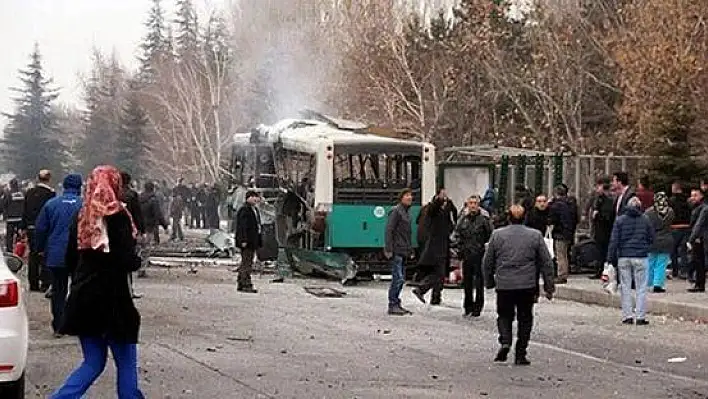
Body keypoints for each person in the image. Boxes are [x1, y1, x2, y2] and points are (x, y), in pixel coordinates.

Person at [51, 165, 144, 398]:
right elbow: (126, 259)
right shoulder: (118, 216)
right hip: (114, 302)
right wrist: (136, 259)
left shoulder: (82, 216)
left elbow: (70, 258)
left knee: (92, 363)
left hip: (84, 300)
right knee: (125, 363)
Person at [483, 205, 555, 365]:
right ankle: (521, 352)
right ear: (525, 218)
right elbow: (546, 262)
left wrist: (488, 281)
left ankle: (505, 340)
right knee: (525, 318)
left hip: (504, 284)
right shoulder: (535, 236)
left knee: (504, 315)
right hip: (527, 284)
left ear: (508, 217)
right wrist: (549, 287)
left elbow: (488, 261)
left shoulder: (497, 235)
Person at [35, 174, 83, 337]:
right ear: (79, 187)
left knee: (58, 289)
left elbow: (41, 228)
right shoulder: (84, 205)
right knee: (78, 288)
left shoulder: (51, 204)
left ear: (63, 186)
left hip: (56, 252)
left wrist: (40, 248)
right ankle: (76, 323)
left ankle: (59, 326)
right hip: (79, 253)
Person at [607, 196, 655, 325]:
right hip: (641, 256)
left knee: (625, 287)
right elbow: (651, 237)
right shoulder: (645, 219)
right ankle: (640, 316)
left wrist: (610, 259)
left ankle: (627, 315)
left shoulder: (620, 220)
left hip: (624, 256)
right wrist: (646, 247)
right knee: (641, 287)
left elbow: (614, 240)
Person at [455, 195, 493, 317]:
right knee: (467, 282)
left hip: (480, 254)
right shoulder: (463, 219)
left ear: (478, 205)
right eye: (470, 203)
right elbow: (457, 234)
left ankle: (478, 307)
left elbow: (490, 235)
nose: (472, 206)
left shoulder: (483, 220)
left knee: (479, 282)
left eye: (475, 203)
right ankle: (468, 306)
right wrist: (459, 249)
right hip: (466, 254)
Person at [412, 191, 452, 305]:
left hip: (441, 247)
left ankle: (435, 297)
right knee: (439, 274)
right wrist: (439, 199)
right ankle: (421, 289)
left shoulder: (444, 212)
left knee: (439, 274)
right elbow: (433, 208)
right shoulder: (433, 211)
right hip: (436, 249)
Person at [22, 169, 56, 293]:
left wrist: (23, 227)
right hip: (45, 228)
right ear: (49, 179)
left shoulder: (29, 192)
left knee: (33, 254)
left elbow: (25, 210)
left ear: (38, 178)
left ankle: (33, 283)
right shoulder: (50, 193)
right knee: (45, 254)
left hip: (31, 227)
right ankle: (45, 283)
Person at [384, 188, 414, 315]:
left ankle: (396, 303)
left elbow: (406, 234)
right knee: (398, 278)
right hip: (396, 250)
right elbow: (389, 230)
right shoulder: (396, 212)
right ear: (401, 197)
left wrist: (410, 249)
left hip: (403, 250)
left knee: (400, 279)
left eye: (411, 195)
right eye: (407, 195)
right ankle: (393, 304)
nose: (410, 197)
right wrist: (389, 248)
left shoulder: (406, 212)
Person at [645, 192, 674, 293]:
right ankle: (658, 284)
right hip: (666, 239)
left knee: (650, 262)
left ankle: (648, 283)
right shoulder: (670, 211)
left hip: (652, 239)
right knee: (661, 263)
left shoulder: (649, 212)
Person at [234, 190, 262, 293]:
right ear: (249, 198)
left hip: (252, 240)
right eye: (255, 197)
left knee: (246, 261)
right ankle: (246, 283)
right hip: (247, 241)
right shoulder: (244, 210)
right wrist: (243, 240)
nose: (257, 199)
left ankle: (241, 282)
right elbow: (242, 227)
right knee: (247, 263)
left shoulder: (254, 209)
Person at [548, 185, 574, 284]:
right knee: (564, 254)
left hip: (560, 232)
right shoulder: (570, 204)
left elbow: (552, 219)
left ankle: (561, 275)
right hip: (568, 232)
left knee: (560, 255)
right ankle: (564, 273)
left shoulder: (557, 205)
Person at [591, 177, 615, 279]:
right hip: (600, 230)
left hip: (604, 231)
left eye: (598, 187)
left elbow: (607, 216)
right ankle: (599, 270)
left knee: (603, 252)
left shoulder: (607, 200)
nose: (597, 189)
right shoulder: (599, 199)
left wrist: (597, 214)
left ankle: (602, 271)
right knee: (599, 251)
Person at [669, 182, 691, 279]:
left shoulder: (671, 200)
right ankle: (684, 271)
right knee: (683, 250)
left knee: (673, 250)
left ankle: (675, 271)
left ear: (675, 189)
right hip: (686, 226)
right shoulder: (688, 200)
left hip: (674, 227)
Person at [688, 187, 708, 293]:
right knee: (697, 261)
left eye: (695, 195)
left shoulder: (703, 208)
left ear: (701, 196)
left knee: (698, 261)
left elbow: (698, 224)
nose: (693, 198)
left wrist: (691, 238)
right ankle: (698, 283)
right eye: (692, 195)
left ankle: (699, 284)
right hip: (699, 237)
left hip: (700, 237)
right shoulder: (696, 207)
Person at [139, 181, 168, 246]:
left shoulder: (139, 198)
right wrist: (165, 226)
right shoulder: (154, 199)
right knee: (150, 243)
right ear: (153, 188)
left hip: (141, 223)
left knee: (143, 243)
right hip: (152, 224)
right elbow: (158, 214)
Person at [2, 179, 25, 254]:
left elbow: (3, 204)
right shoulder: (23, 193)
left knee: (10, 236)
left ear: (11, 185)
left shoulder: (8, 193)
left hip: (10, 219)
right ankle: (20, 250)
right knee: (20, 235)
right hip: (20, 218)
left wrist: (4, 214)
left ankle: (9, 251)